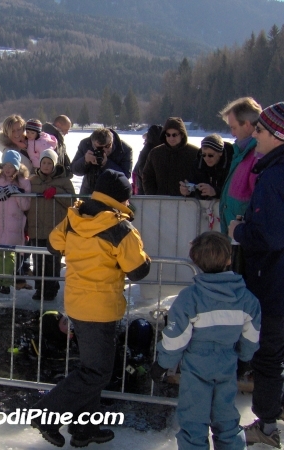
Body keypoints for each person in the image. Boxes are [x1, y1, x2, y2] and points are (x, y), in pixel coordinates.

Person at [30, 169, 150, 448]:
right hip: (101, 308)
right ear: (123, 198)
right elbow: (138, 271)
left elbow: (51, 245)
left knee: (91, 367)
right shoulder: (121, 229)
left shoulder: (75, 217)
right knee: (96, 373)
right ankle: (45, 413)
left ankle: (85, 428)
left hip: (76, 302)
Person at [151, 231, 261, 449]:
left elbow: (175, 338)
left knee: (193, 425)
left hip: (196, 368)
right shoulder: (247, 299)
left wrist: (163, 363)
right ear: (229, 259)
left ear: (196, 261)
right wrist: (245, 359)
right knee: (228, 423)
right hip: (227, 364)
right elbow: (251, 335)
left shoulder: (190, 298)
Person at [229, 102, 284, 448]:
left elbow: (271, 235)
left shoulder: (275, 176)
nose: (255, 135)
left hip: (274, 284)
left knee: (268, 358)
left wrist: (238, 231)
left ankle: (266, 428)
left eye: (260, 130)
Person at [27, 149, 75, 301]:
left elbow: (73, 201)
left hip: (56, 229)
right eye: (44, 163)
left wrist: (57, 191)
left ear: (54, 164)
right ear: (39, 164)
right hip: (36, 227)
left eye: (49, 163)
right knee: (38, 261)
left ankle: (52, 288)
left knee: (53, 261)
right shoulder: (32, 180)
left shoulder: (64, 181)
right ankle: (39, 288)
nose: (46, 166)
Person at [0, 150, 32, 294]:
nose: (7, 169)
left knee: (10, 257)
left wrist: (16, 192)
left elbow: (26, 205)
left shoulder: (24, 182)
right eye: (5, 165)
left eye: (11, 166)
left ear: (17, 167)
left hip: (14, 225)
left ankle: (6, 283)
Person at [219, 97, 263, 236]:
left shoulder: (257, 156)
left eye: (234, 127)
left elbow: (260, 205)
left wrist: (244, 232)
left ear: (247, 125)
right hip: (237, 236)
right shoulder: (241, 153)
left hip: (245, 240)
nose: (232, 133)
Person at [142, 117, 199, 196]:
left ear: (182, 135)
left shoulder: (195, 153)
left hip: (187, 202)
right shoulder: (155, 153)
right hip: (160, 202)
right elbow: (147, 177)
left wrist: (191, 193)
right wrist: (153, 196)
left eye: (174, 135)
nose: (171, 138)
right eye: (168, 135)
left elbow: (200, 177)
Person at [72, 127, 133, 195]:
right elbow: (74, 170)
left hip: (113, 195)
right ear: (93, 143)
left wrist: (106, 164)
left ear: (112, 141)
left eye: (107, 146)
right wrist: (85, 161)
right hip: (89, 193)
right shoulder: (85, 144)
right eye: (99, 148)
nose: (104, 151)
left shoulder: (124, 149)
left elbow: (125, 176)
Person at [179, 134, 233, 200]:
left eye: (210, 155)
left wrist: (215, 191)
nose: (206, 158)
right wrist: (187, 190)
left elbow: (236, 191)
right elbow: (193, 183)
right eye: (203, 155)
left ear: (220, 153)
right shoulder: (198, 164)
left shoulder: (231, 164)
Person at [132, 124, 162, 195]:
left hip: (143, 191)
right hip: (146, 192)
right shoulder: (148, 151)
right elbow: (143, 173)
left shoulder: (147, 151)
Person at [42, 115, 73, 179]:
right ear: (58, 125)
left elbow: (64, 160)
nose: (67, 132)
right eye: (66, 129)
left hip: (58, 179)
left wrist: (68, 172)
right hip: (49, 180)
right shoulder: (46, 139)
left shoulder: (59, 140)